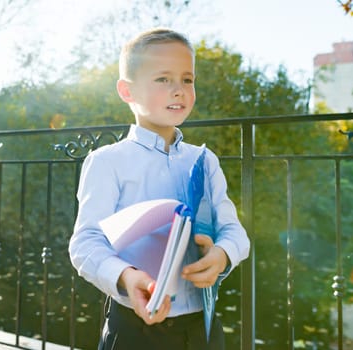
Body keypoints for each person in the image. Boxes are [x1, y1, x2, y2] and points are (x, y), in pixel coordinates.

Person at [69, 28, 250, 350]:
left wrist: (223, 255)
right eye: (163, 79)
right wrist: (126, 277)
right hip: (134, 328)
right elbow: (86, 242)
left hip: (202, 328)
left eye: (187, 79)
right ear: (127, 91)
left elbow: (234, 230)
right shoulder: (107, 161)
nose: (178, 90)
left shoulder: (205, 160)